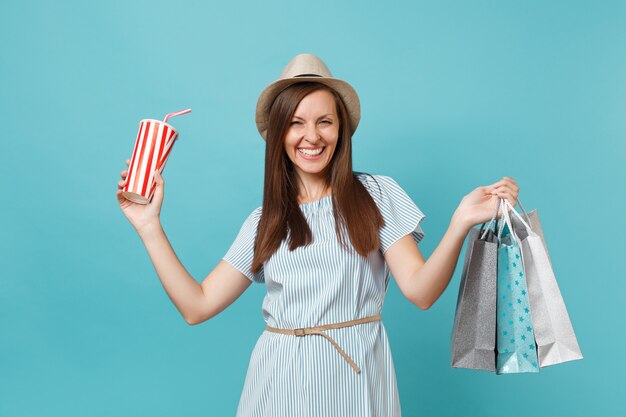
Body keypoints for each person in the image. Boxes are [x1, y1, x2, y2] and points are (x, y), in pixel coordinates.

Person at [116, 53, 519, 416]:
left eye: (324, 121)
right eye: (296, 123)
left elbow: (421, 291)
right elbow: (197, 306)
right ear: (278, 135)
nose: (312, 137)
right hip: (276, 383)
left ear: (341, 130)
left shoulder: (376, 195)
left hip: (356, 378)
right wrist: (149, 226)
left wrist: (459, 223)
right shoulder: (265, 221)